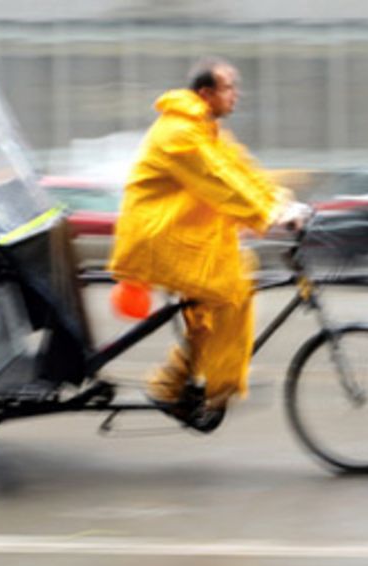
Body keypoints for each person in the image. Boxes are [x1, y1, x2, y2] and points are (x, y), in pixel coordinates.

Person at [108, 58, 310, 414]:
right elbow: (217, 180)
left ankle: (169, 384)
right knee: (230, 289)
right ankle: (220, 388)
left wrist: (280, 201)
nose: (237, 95)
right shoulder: (179, 133)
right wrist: (266, 214)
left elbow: (240, 171)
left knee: (214, 302)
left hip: (184, 235)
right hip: (157, 237)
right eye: (229, 87)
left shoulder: (205, 129)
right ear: (206, 93)